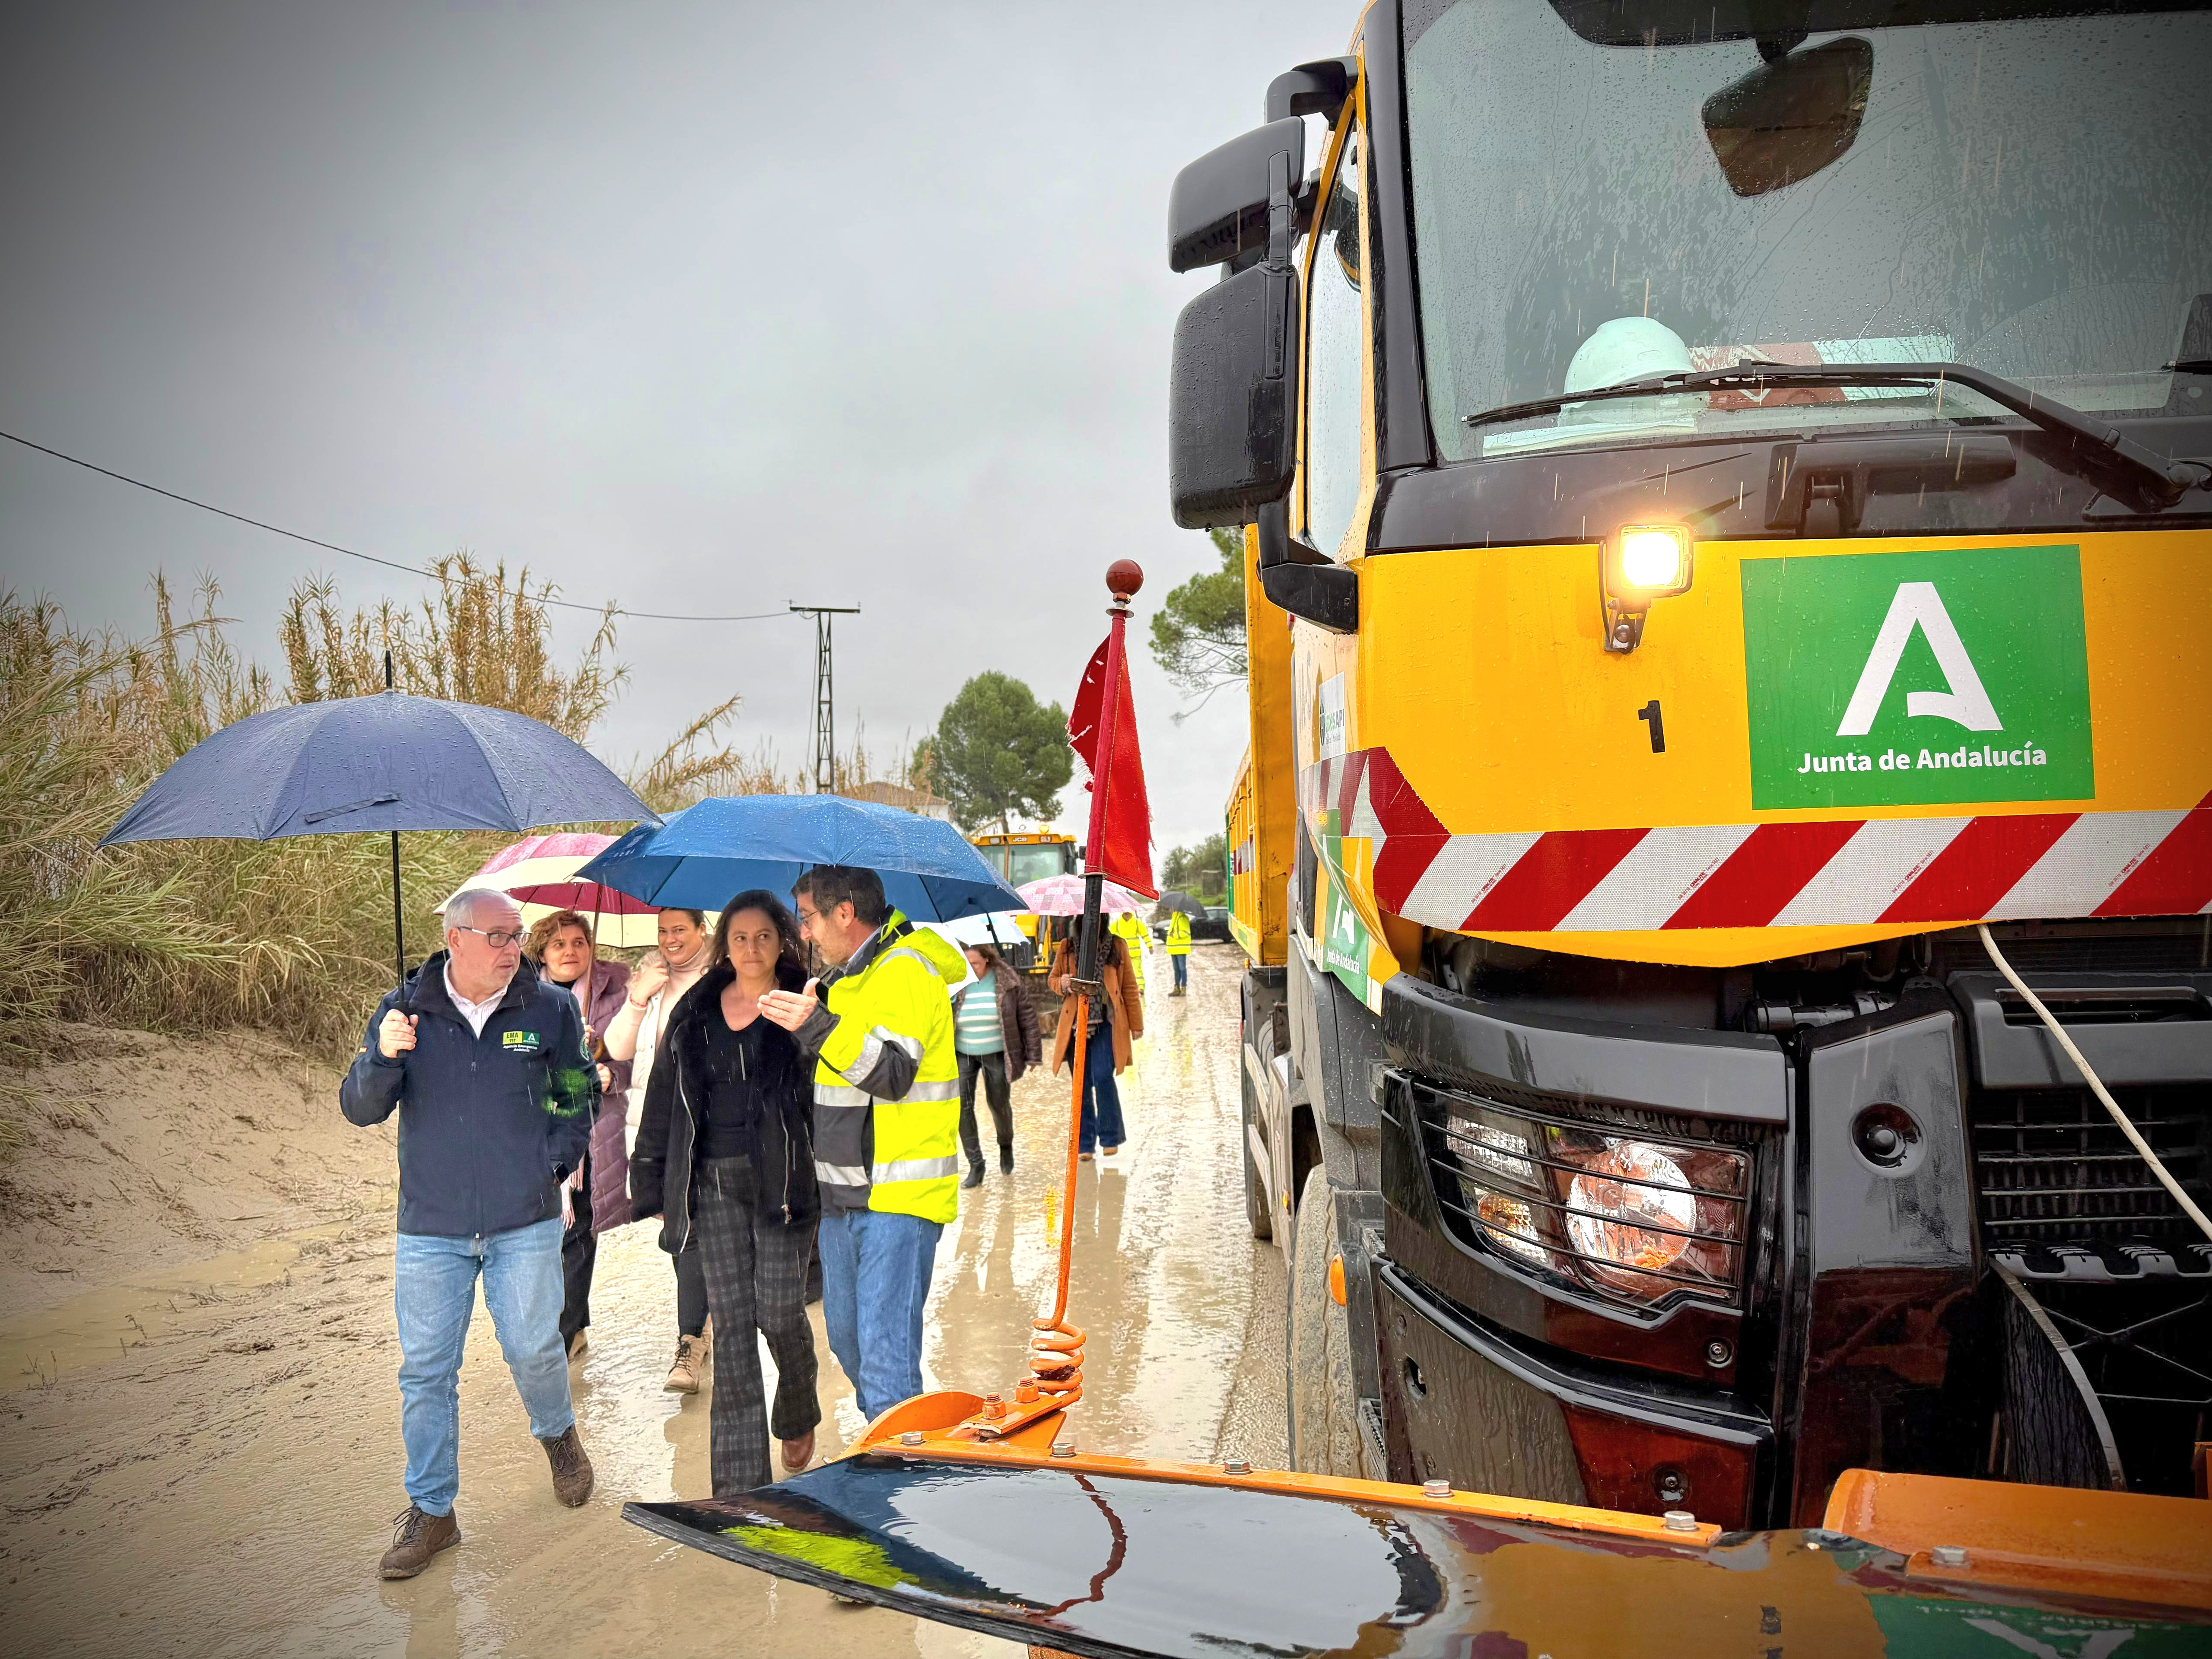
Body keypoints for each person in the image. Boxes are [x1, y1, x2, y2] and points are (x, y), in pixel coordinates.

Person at [340, 888, 597, 1580]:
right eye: (499, 936)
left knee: (535, 1349)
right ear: (455, 940)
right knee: (426, 1372)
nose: (514, 948)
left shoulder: (549, 1006)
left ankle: (559, 1438)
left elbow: (576, 1094)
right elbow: (360, 1108)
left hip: (524, 1220)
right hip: (431, 1227)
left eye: (517, 936)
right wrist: (384, 1056)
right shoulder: (406, 1012)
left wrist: (554, 1162)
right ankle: (433, 1512)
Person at [759, 865, 964, 1423]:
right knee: (849, 1346)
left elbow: (892, 1075)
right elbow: (839, 1086)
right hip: (845, 1199)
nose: (803, 933)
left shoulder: (904, 972)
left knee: (885, 1368)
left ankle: (898, 1499)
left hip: (897, 1199)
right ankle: (901, 1452)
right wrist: (808, 1027)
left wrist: (820, 1026)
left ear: (844, 913)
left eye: (807, 918)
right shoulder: (846, 981)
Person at [632, 892, 820, 1495]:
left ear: (782, 939)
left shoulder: (806, 1000)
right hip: (711, 1181)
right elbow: (665, 1095)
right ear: (724, 944)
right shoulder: (697, 1009)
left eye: (764, 936)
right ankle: (741, 1488)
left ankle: (795, 1407)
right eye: (740, 937)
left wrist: (815, 1028)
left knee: (779, 1311)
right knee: (734, 1325)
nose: (752, 948)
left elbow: (835, 1082)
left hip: (783, 1183)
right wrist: (653, 1177)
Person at [604, 906, 715, 1394]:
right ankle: (702, 1323)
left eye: (680, 931)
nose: (670, 940)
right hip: (650, 1128)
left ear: (702, 931)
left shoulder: (721, 980)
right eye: (663, 931)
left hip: (703, 1127)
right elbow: (617, 1049)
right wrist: (635, 998)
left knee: (691, 1228)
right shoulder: (649, 977)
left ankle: (689, 1343)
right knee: (677, 1229)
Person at [528, 910, 635, 1362]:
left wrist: (612, 1072)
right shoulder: (523, 997)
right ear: (542, 953)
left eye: (577, 942)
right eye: (558, 945)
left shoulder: (616, 992)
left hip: (593, 1132)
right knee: (542, 1235)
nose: (570, 952)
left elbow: (638, 1051)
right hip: (537, 1129)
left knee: (577, 1231)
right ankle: (559, 1323)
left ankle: (567, 1330)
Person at [1048, 928, 1144, 1160]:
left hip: (1107, 1024)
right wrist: (1062, 983)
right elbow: (1052, 980)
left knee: (1103, 1076)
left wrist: (1136, 1024)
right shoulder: (1067, 948)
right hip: (1075, 1027)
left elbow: (1129, 987)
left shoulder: (1118, 947)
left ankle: (1111, 1138)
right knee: (1080, 1084)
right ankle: (1085, 1144)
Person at [950, 942, 1041, 1187]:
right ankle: (976, 1165)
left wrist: (1033, 1054)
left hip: (997, 1054)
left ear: (987, 961)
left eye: (976, 964)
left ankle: (1006, 1145)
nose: (971, 969)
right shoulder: (956, 980)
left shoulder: (1007, 981)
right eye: (967, 964)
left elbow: (1027, 1017)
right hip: (963, 1053)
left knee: (998, 1103)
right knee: (962, 1107)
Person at [1109, 909, 1150, 1000]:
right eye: (1125, 914)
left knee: (1138, 971)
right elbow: (1110, 936)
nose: (1127, 916)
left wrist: (1150, 946)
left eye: (1129, 914)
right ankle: (1123, 990)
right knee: (1123, 973)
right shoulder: (1117, 924)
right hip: (1123, 954)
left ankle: (1141, 988)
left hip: (1135, 953)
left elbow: (1145, 935)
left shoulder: (1137, 923)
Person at [1165, 907, 1193, 996]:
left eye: (1172, 908)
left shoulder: (1182, 918)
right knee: (1176, 970)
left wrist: (1175, 935)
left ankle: (1184, 988)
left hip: (1181, 949)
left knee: (1182, 969)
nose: (1170, 910)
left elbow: (1187, 932)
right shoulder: (1174, 918)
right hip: (1173, 949)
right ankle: (1177, 988)